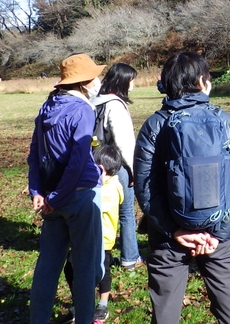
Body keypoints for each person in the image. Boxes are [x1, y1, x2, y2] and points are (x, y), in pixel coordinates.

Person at [134, 52, 230, 324]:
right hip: (217, 232)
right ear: (201, 81)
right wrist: (217, 235)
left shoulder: (154, 125)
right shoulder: (228, 123)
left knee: (166, 314)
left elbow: (145, 187)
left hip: (168, 237)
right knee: (229, 310)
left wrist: (175, 231)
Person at [26, 53, 106, 324]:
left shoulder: (46, 106)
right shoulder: (83, 109)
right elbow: (78, 161)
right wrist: (57, 197)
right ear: (84, 82)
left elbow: (34, 154)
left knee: (47, 265)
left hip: (50, 197)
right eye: (95, 77)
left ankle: (38, 319)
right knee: (86, 268)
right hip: (78, 196)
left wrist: (38, 193)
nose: (98, 81)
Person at [91, 62, 144, 270]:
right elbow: (125, 144)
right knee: (126, 213)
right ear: (123, 81)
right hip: (116, 164)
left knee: (101, 211)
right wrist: (133, 170)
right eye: (132, 80)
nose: (133, 84)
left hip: (95, 162)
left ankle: (100, 254)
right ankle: (130, 257)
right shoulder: (116, 105)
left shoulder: (94, 100)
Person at [64, 144, 123, 324]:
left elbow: (91, 207)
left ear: (105, 171)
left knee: (101, 272)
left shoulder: (108, 190)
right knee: (71, 267)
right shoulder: (105, 185)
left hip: (101, 240)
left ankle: (102, 305)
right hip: (89, 238)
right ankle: (81, 302)